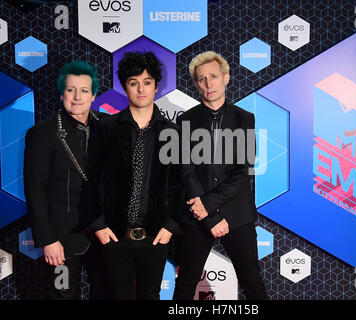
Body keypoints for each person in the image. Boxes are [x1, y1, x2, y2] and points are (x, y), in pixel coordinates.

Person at [173, 51, 268, 300]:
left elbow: (243, 170)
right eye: (202, 79)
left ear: (226, 78)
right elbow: (185, 171)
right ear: (195, 84)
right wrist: (207, 215)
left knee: (252, 282)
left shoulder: (244, 119)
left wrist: (210, 206)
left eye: (213, 76)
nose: (208, 83)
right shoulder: (185, 120)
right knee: (185, 284)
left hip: (237, 214)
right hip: (197, 216)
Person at [91, 51, 183, 300]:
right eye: (134, 83)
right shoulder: (106, 128)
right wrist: (98, 224)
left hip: (156, 235)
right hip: (114, 235)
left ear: (156, 87)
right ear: (124, 87)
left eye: (147, 82)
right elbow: (92, 179)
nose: (140, 89)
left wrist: (170, 226)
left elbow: (180, 184)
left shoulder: (172, 132)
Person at [24, 60, 108, 300]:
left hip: (103, 235)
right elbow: (35, 189)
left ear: (93, 95)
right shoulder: (42, 133)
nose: (77, 97)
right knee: (61, 295)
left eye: (84, 90)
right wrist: (48, 239)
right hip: (62, 236)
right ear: (62, 93)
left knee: (105, 293)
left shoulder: (108, 127)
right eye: (71, 90)